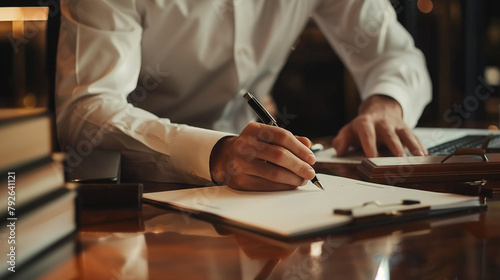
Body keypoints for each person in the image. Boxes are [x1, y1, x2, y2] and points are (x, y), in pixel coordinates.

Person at [55, 0, 432, 191]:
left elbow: (394, 54)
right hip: (129, 191)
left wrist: (386, 104)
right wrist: (216, 153)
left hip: (254, 186)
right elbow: (86, 107)